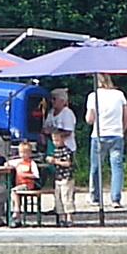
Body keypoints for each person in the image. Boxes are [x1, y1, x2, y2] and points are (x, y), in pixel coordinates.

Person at [85, 74, 127, 209]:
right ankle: (115, 198)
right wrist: (121, 130)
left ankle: (95, 196)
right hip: (116, 134)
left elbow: (89, 119)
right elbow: (126, 117)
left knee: (96, 167)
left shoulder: (93, 96)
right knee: (116, 167)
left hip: (99, 134)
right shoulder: (119, 95)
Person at [43, 94, 76, 226]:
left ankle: (69, 217)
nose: (52, 102)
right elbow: (46, 128)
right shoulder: (51, 113)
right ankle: (60, 214)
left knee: (66, 195)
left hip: (66, 169)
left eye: (54, 99)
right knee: (57, 192)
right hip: (57, 166)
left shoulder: (67, 113)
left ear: (62, 101)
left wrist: (55, 133)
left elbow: (67, 131)